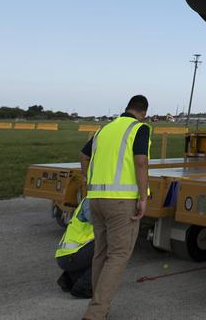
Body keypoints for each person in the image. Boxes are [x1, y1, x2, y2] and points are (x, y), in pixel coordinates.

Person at [79, 95, 152, 320]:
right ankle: (96, 312)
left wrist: (88, 178)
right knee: (119, 255)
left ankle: (100, 308)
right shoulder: (139, 128)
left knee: (101, 254)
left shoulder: (104, 129)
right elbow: (141, 162)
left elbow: (83, 155)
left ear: (127, 107)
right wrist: (143, 197)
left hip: (96, 198)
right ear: (143, 112)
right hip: (121, 201)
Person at [55, 197, 95, 300]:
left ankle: (68, 279)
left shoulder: (89, 199)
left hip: (68, 255)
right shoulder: (90, 201)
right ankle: (84, 288)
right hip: (71, 256)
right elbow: (95, 220)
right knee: (108, 249)